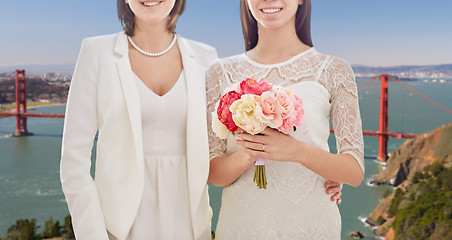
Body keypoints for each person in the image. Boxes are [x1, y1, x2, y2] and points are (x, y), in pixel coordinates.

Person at [206, 0, 364, 239]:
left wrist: (297, 151)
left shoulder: (335, 70)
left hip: (312, 225)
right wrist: (248, 154)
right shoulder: (218, 72)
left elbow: (354, 171)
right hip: (241, 225)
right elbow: (213, 173)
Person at [59, 0, 217, 239]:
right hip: (119, 229)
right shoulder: (96, 52)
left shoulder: (207, 58)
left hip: (191, 226)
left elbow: (221, 149)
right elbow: (73, 163)